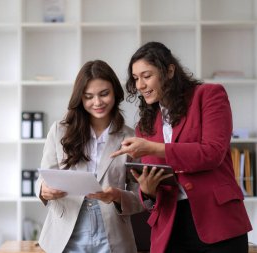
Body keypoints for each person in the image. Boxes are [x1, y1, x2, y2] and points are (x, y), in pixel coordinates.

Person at [111, 41, 252, 253]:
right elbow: (153, 183)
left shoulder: (208, 95)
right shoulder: (145, 126)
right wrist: (147, 192)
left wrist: (154, 148)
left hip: (217, 222)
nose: (139, 85)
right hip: (170, 228)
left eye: (146, 76)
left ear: (169, 71)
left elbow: (212, 153)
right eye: (135, 78)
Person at [35, 59, 144, 253]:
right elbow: (43, 178)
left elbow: (142, 197)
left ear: (115, 93)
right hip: (66, 230)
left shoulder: (131, 137)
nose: (97, 102)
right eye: (88, 96)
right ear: (80, 98)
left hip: (113, 232)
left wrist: (117, 196)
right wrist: (43, 189)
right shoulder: (60, 131)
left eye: (104, 94)